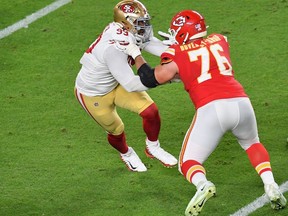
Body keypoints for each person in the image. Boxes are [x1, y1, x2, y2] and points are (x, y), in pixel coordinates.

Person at [119, 9, 287, 215]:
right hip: (241, 102)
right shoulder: (220, 39)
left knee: (188, 162)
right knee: (252, 143)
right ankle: (271, 185)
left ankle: (202, 184)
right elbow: (197, 57)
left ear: (181, 33)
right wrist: (173, 48)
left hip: (212, 108)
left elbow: (150, 78)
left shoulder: (176, 53)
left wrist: (136, 53)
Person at [74, 0, 177, 172]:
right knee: (116, 130)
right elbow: (131, 84)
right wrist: (167, 78)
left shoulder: (131, 33)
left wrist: (181, 49)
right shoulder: (113, 48)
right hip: (93, 94)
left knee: (150, 112)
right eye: (139, 23)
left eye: (144, 21)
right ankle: (127, 154)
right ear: (125, 24)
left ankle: (153, 147)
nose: (144, 26)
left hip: (117, 81)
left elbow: (155, 46)